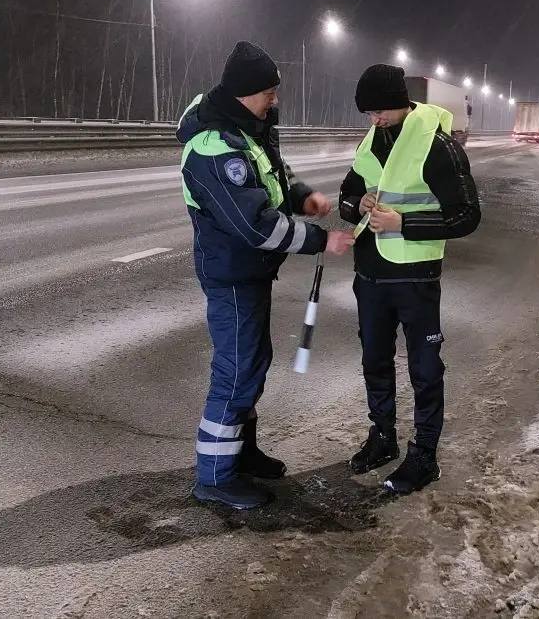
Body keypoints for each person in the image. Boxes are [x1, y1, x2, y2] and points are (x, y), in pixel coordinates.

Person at [177, 41, 354, 510]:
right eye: (268, 92)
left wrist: (302, 196)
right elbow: (255, 225)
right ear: (243, 92)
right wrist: (320, 240)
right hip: (233, 274)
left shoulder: (247, 128)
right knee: (237, 370)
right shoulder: (215, 149)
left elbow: (272, 175)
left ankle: (241, 453)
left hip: (251, 273)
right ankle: (215, 477)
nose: (274, 99)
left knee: (252, 362)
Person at [338, 64, 481, 494]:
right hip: (370, 274)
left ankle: (424, 456)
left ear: (400, 103)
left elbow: (467, 216)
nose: (374, 119)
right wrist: (358, 203)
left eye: (379, 111)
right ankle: (383, 437)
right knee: (375, 361)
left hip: (415, 278)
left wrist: (404, 222)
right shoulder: (371, 140)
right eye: (368, 113)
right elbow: (347, 193)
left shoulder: (438, 145)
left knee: (425, 369)